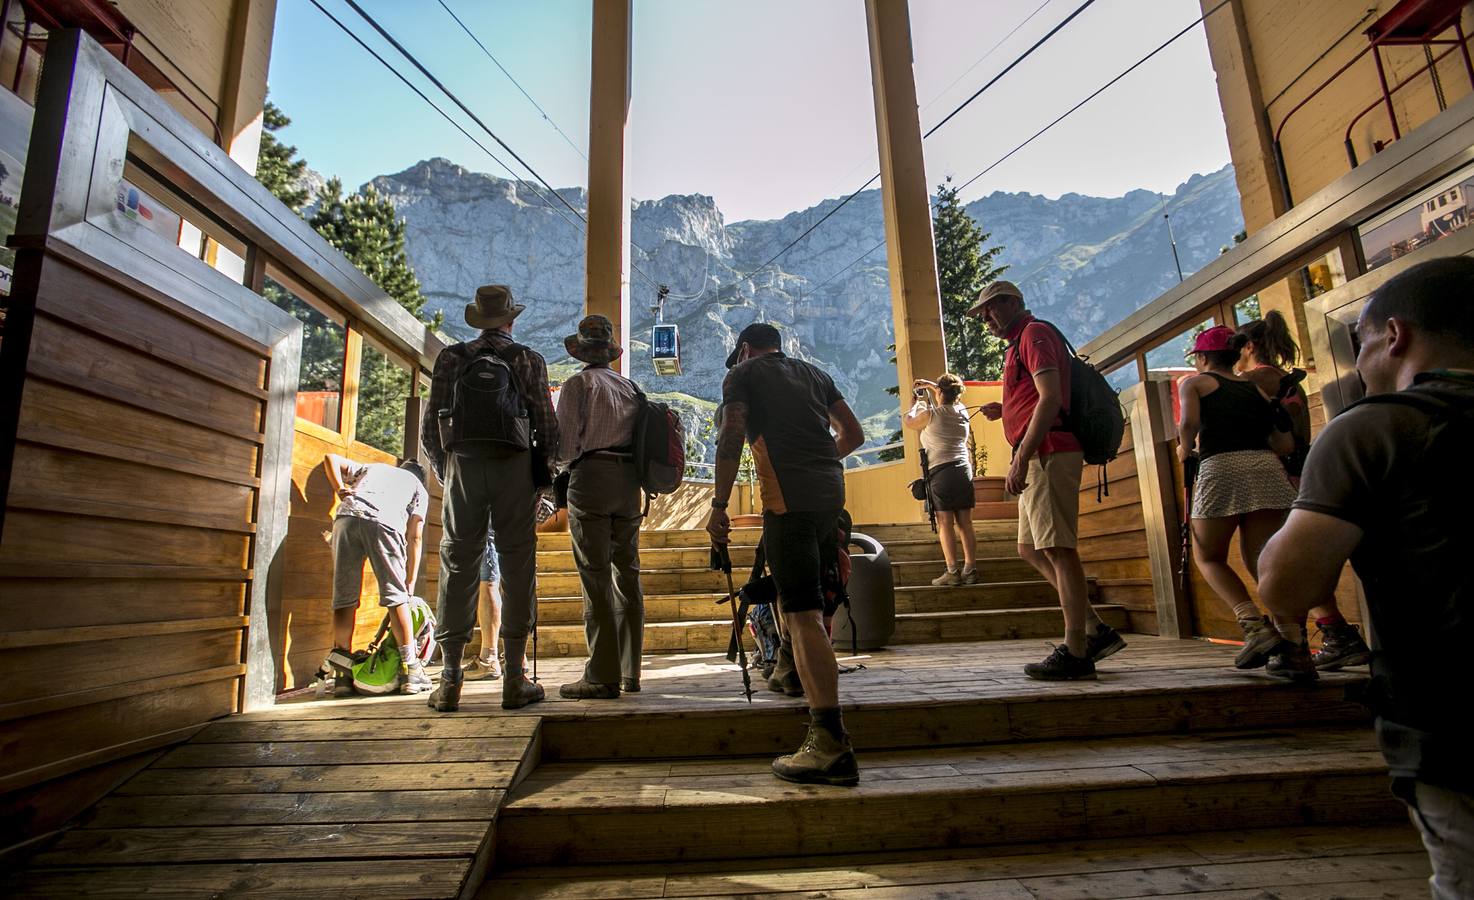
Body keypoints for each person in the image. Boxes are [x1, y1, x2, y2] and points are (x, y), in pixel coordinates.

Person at [1257, 256, 1474, 898]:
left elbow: (1286, 587)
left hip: (1451, 725)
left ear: (1395, 336)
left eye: (1362, 346)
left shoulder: (1377, 428)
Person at [707, 322, 865, 785]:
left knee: (803, 613)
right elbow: (853, 435)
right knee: (802, 597)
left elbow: (731, 435)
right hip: (829, 499)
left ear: (744, 349)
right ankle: (791, 672)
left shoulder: (743, 373)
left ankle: (829, 743)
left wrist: (718, 506)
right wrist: (818, 463)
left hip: (787, 503)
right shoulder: (814, 373)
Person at [967, 280, 1126, 680]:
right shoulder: (1021, 340)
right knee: (1030, 548)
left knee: (1057, 548)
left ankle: (1076, 650)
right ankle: (1093, 629)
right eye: (983, 312)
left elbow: (1051, 397)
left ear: (1014, 302)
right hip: (1041, 450)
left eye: (992, 308)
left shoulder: (1034, 334)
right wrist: (1004, 409)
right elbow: (1036, 395)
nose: (986, 317)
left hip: (1049, 451)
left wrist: (1021, 455)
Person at [421, 284, 558, 712]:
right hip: (513, 465)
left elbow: (431, 427)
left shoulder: (451, 358)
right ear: (511, 319)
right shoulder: (527, 359)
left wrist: (449, 473)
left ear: (478, 319)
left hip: (463, 464)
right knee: (517, 564)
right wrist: (541, 482)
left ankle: (449, 683)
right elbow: (547, 427)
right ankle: (514, 680)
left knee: (458, 563)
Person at [1236, 312, 1371, 671]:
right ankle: (1335, 633)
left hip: (1271, 476)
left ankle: (1301, 644)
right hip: (1300, 473)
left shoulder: (1251, 381)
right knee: (1296, 562)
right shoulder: (1290, 381)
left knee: (1272, 561)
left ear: (1248, 346)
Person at [1176, 324, 1312, 679]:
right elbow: (1283, 443)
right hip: (1266, 469)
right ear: (1236, 355)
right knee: (1265, 563)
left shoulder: (1193, 384)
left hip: (1221, 467)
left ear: (1203, 358)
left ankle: (1253, 624)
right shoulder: (1258, 391)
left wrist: (1183, 447)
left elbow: (1189, 421)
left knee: (1208, 556)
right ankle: (1295, 650)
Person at [555, 315, 646, 699]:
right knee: (628, 572)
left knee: (595, 575)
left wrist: (561, 471)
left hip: (591, 477)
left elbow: (564, 446)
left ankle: (601, 674)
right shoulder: (630, 388)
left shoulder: (578, 384)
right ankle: (631, 671)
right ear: (609, 352)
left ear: (580, 350)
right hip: (629, 484)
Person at [321, 455, 430, 695]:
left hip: (346, 517)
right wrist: (409, 582)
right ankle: (409, 670)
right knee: (396, 596)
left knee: (344, 596)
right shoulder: (419, 489)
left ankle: (341, 675)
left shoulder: (374, 468)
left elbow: (330, 458)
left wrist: (339, 487)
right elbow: (415, 537)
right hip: (384, 523)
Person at [904, 373, 979, 585]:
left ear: (940, 392)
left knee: (945, 522)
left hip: (941, 473)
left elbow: (910, 422)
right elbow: (946, 393)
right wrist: (930, 385)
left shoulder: (930, 414)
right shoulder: (962, 410)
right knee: (965, 523)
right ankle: (970, 570)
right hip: (963, 470)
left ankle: (952, 572)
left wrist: (914, 403)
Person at [462, 523, 502, 680]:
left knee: (488, 583)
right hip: (511, 516)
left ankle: (488, 658)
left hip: (487, 514)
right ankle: (516, 658)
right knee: (506, 583)